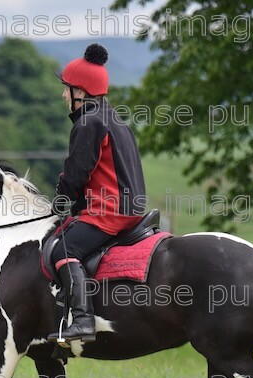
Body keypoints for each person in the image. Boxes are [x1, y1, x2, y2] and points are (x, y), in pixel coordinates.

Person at [49, 43, 147, 344]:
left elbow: (77, 172)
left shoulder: (87, 123)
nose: (64, 94)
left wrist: (60, 201)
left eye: (67, 89)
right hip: (131, 208)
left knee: (63, 250)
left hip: (110, 211)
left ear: (81, 91)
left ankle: (82, 321)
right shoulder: (112, 118)